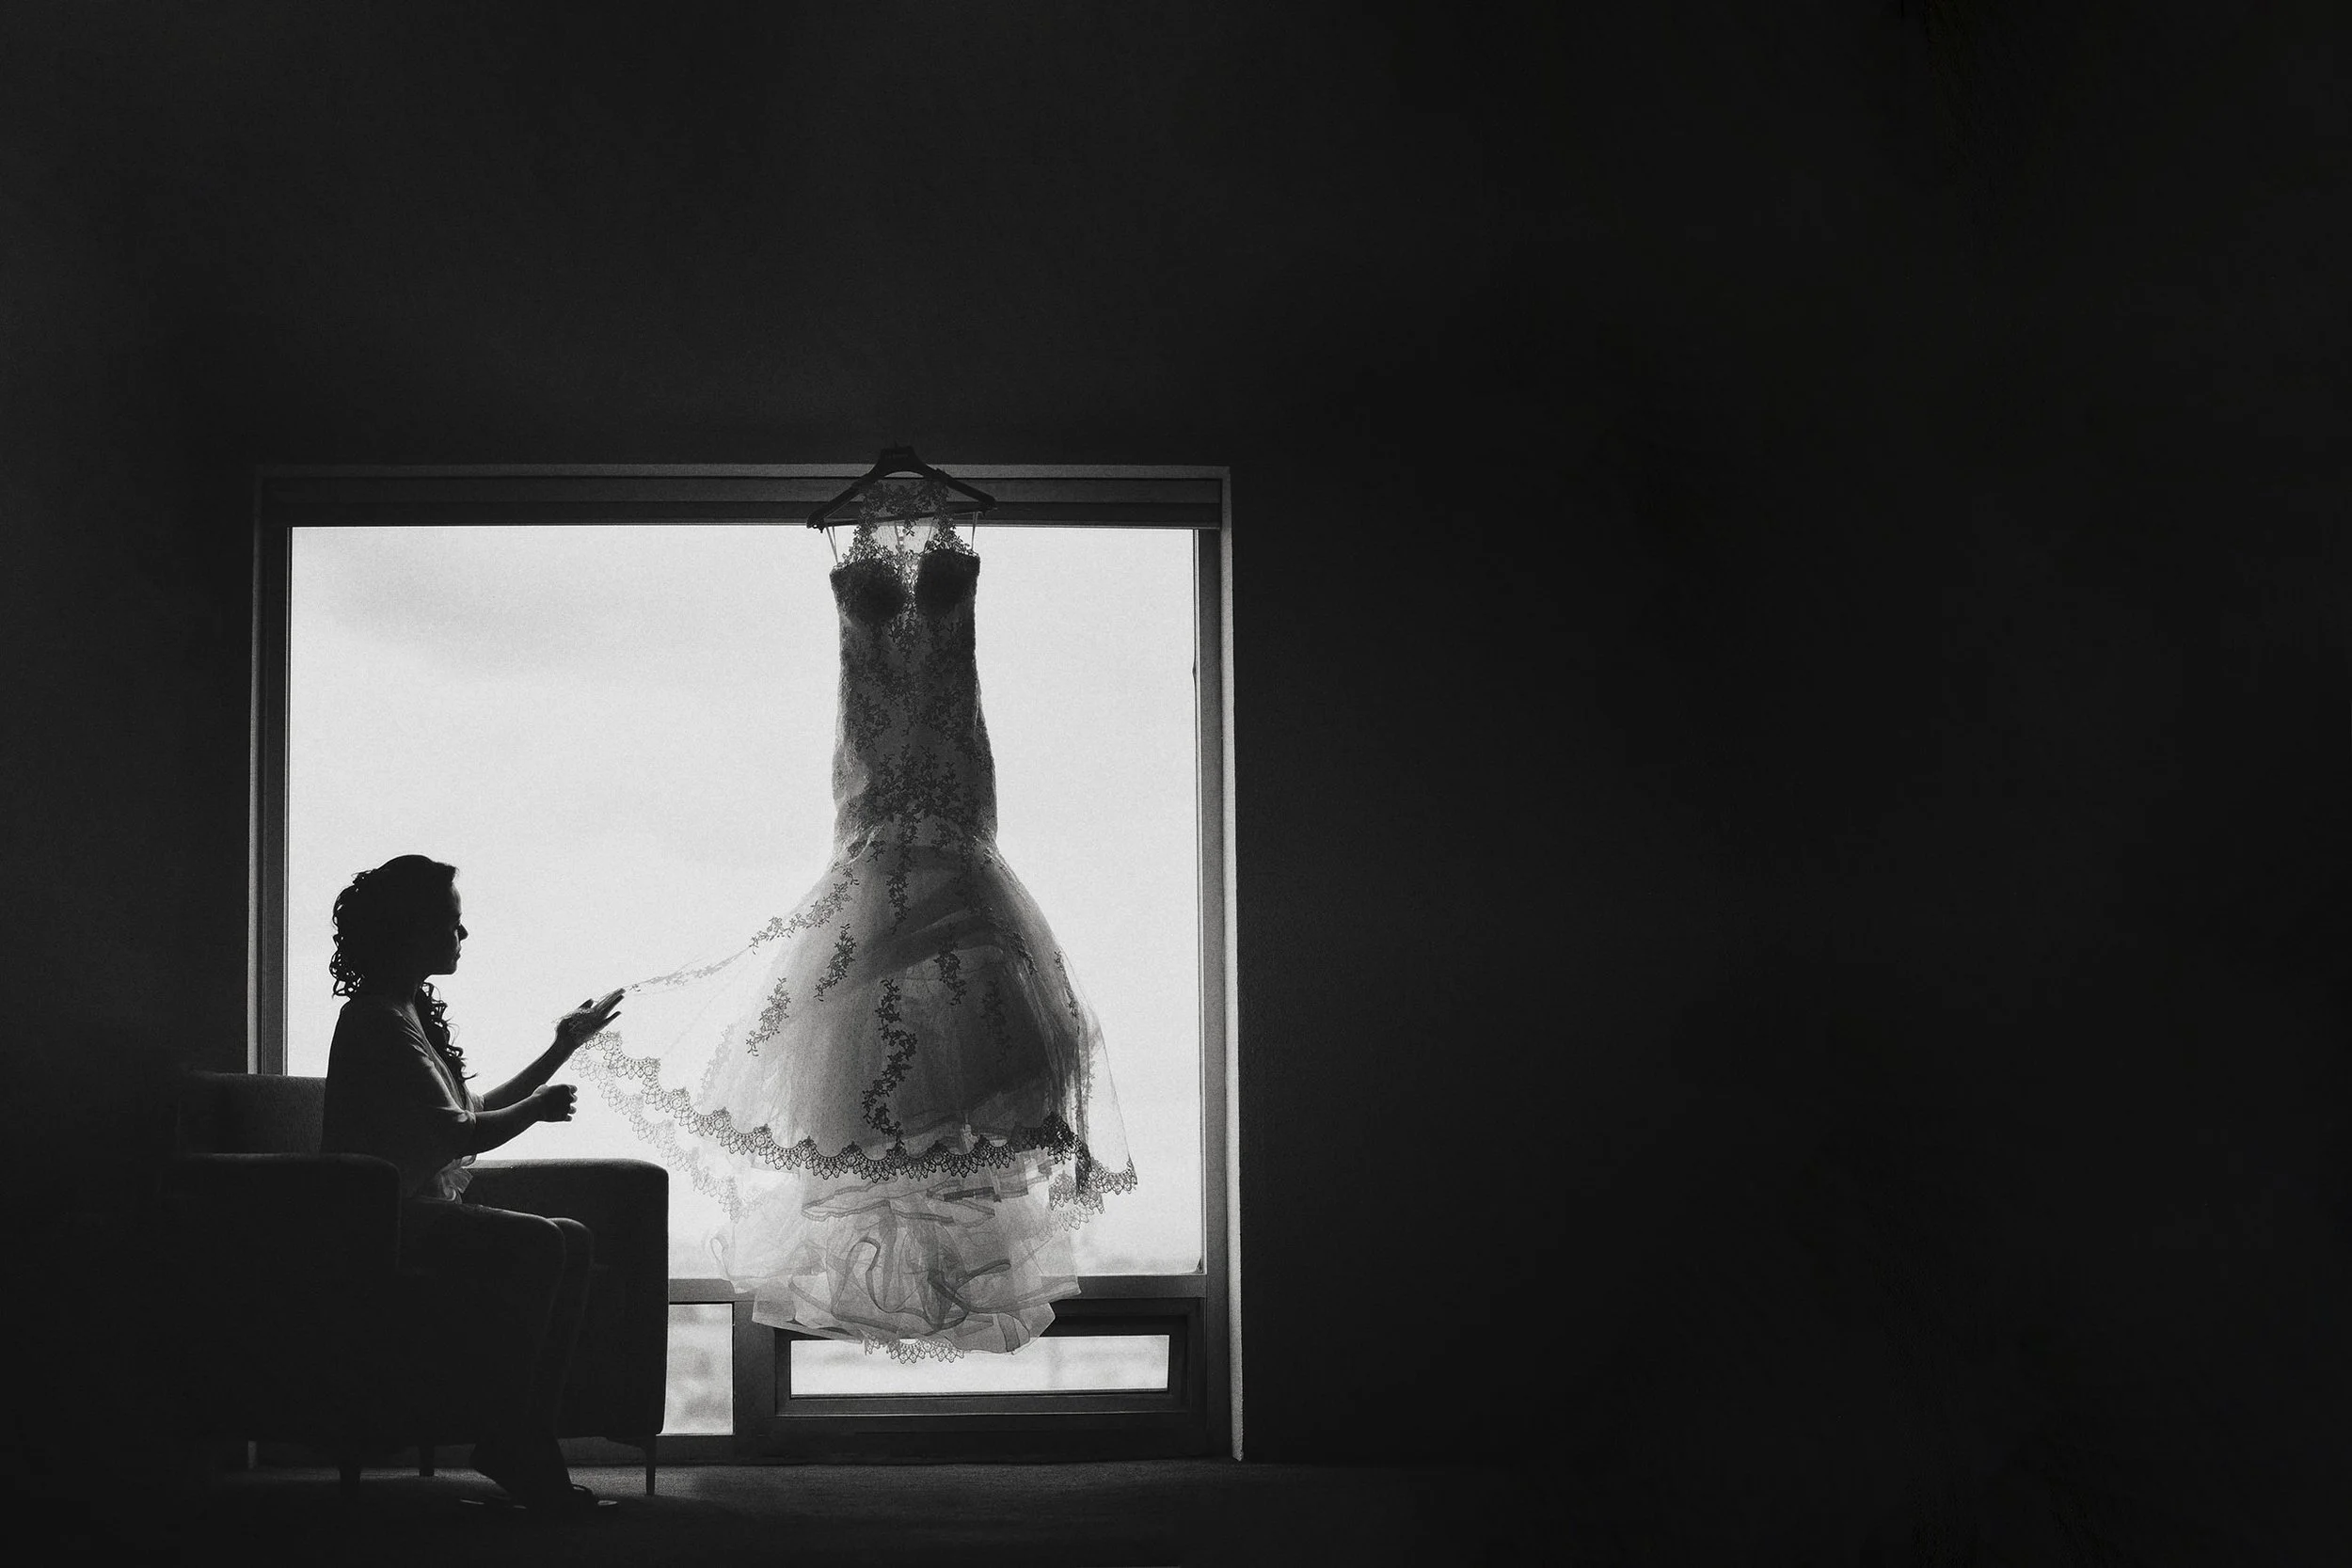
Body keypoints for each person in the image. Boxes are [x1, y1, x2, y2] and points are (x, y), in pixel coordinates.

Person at [320, 853, 625, 1513]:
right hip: (389, 1225)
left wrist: (560, 1047)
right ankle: (510, 1433)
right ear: (412, 930)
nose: (464, 936)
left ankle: (519, 1430)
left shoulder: (404, 1014)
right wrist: (541, 1108)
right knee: (548, 1244)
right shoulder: (376, 1019)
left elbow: (473, 1110)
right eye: (453, 924)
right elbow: (463, 1133)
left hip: (422, 1216)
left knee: (569, 1238)